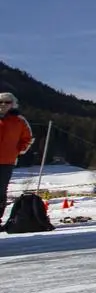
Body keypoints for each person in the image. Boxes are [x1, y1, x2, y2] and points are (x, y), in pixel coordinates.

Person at [0, 93, 34, 228]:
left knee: (0, 191)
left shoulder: (20, 120)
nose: (3, 104)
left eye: (7, 102)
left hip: (6, 162)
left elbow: (28, 138)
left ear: (13, 104)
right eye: (0, 102)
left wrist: (17, 151)